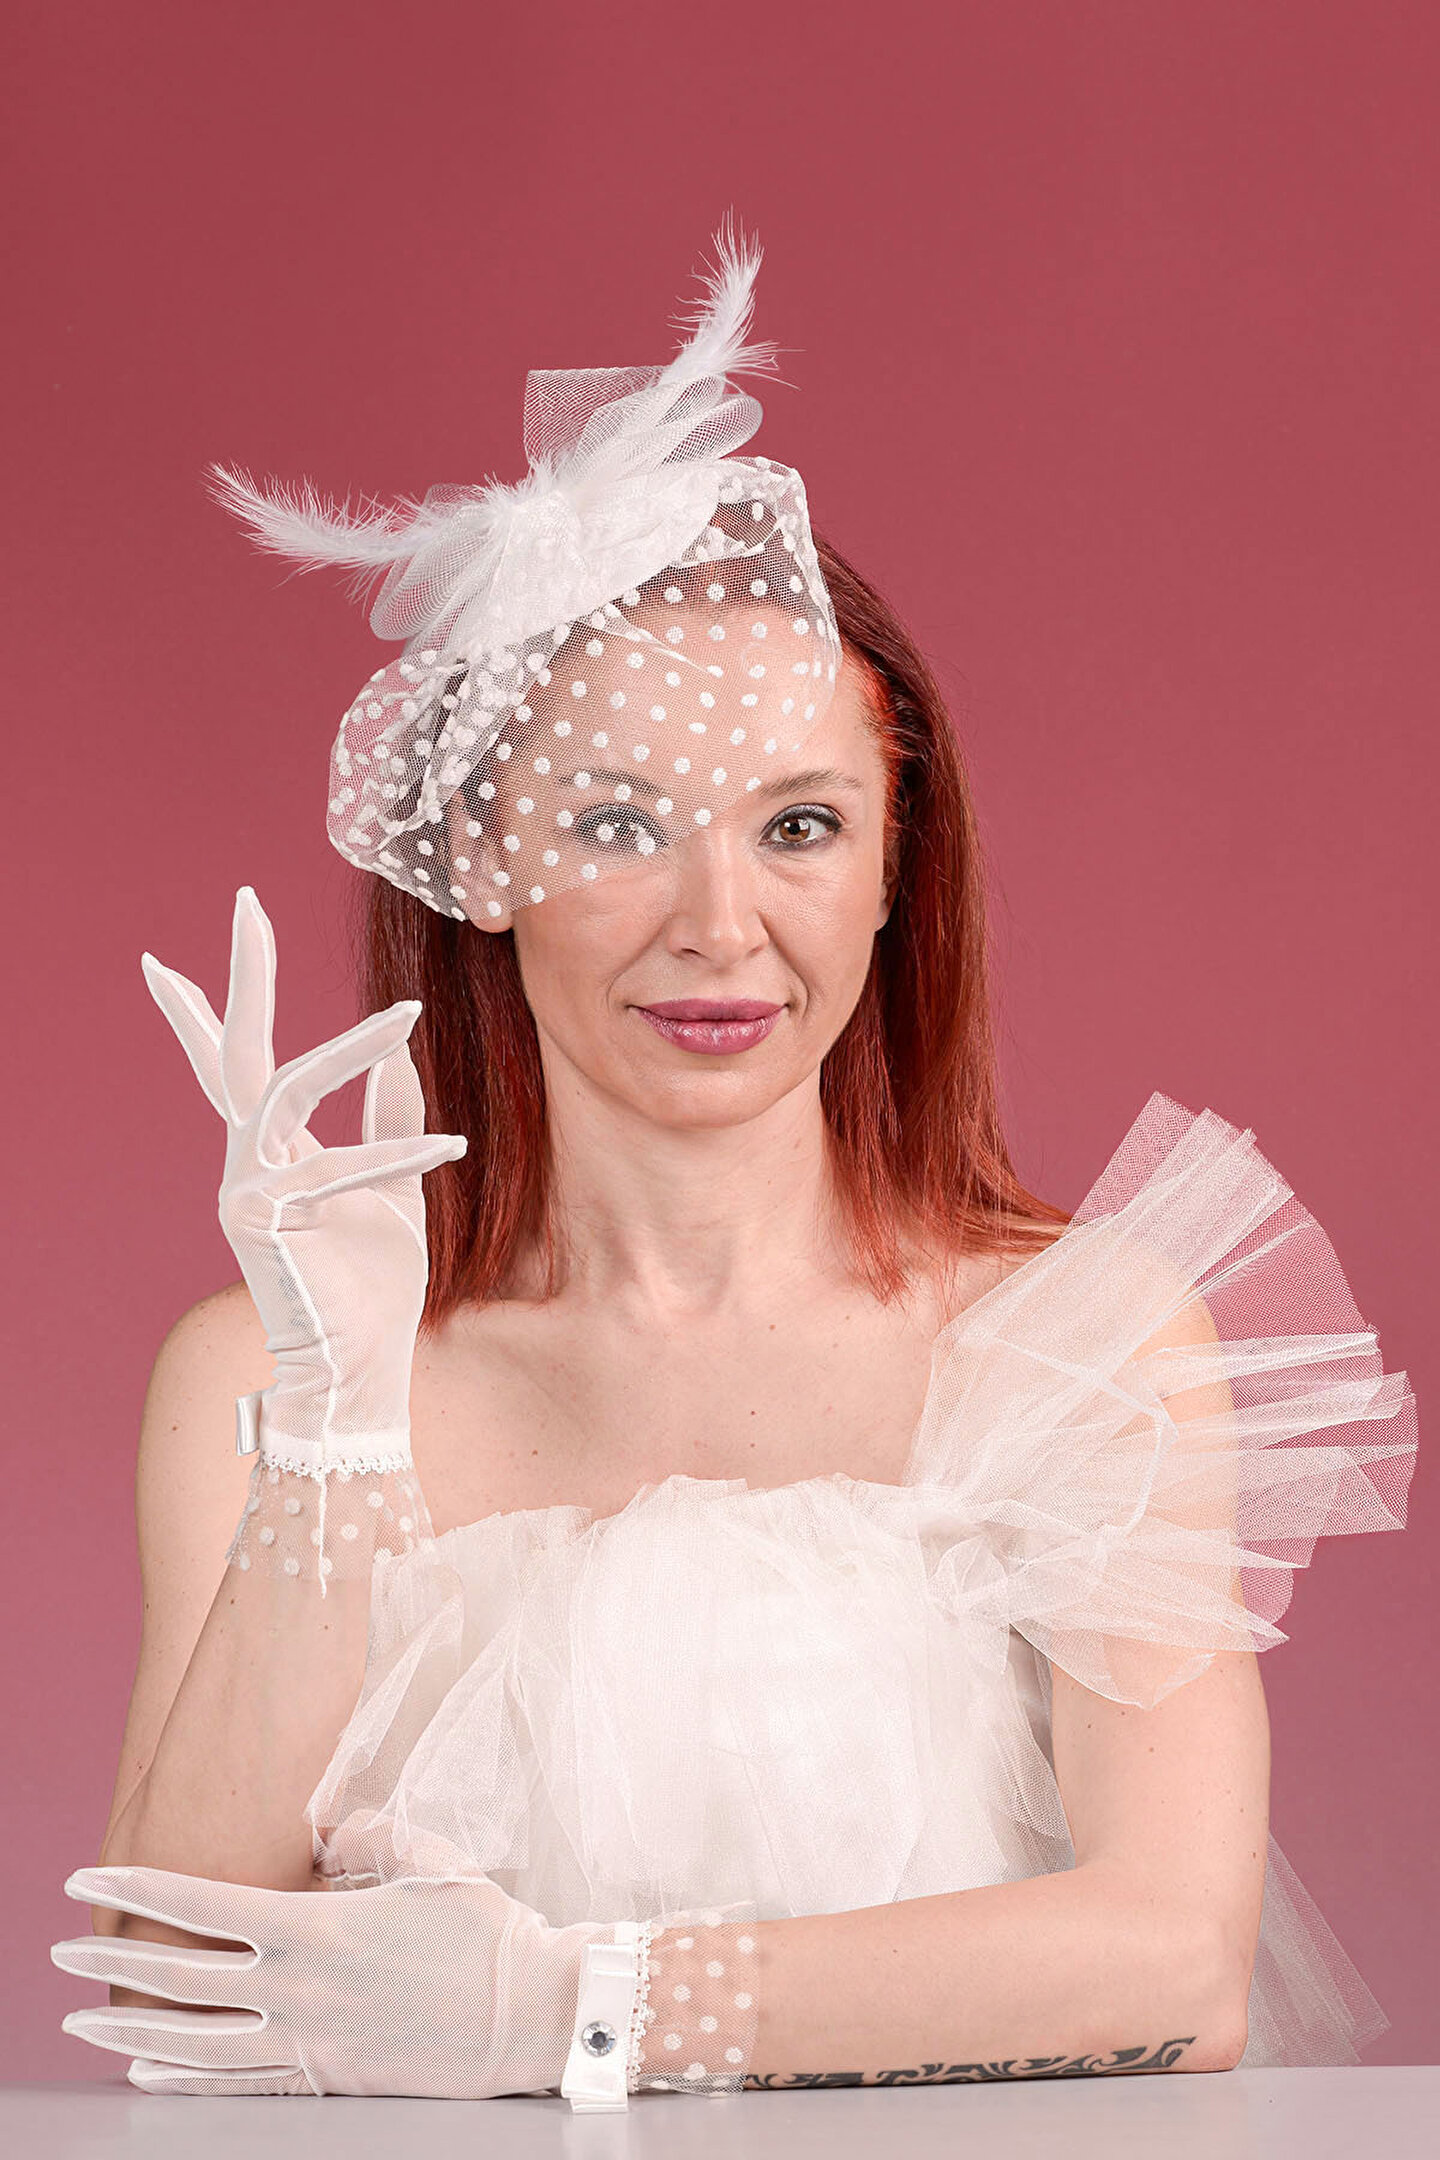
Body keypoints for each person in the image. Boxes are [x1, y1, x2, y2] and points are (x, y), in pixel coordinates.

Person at [51, 225, 1418, 2106]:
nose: (719, 922)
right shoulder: (267, 1380)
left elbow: (1174, 1964)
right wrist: (338, 1440)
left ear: (894, 865)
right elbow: (177, 1981)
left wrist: (572, 2008)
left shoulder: (1082, 1343)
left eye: (799, 825)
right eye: (619, 823)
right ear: (481, 869)